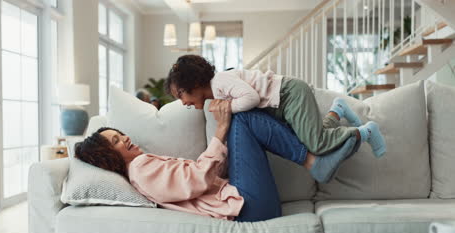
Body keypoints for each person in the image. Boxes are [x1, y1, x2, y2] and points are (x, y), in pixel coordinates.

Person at [74, 100, 359, 222]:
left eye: (119, 135)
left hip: (242, 197)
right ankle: (313, 158)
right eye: (115, 142)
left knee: (245, 113)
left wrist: (222, 148)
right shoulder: (140, 169)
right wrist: (221, 129)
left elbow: (205, 177)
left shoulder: (144, 163)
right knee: (242, 118)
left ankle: (321, 136)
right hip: (248, 209)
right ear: (109, 156)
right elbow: (196, 180)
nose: (124, 139)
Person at [163, 54, 386, 158]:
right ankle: (338, 110)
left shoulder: (220, 81)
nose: (183, 103)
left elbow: (250, 98)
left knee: (316, 145)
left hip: (289, 94)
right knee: (308, 138)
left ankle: (364, 132)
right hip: (281, 103)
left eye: (181, 95)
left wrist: (229, 108)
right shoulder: (216, 93)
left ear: (193, 82)